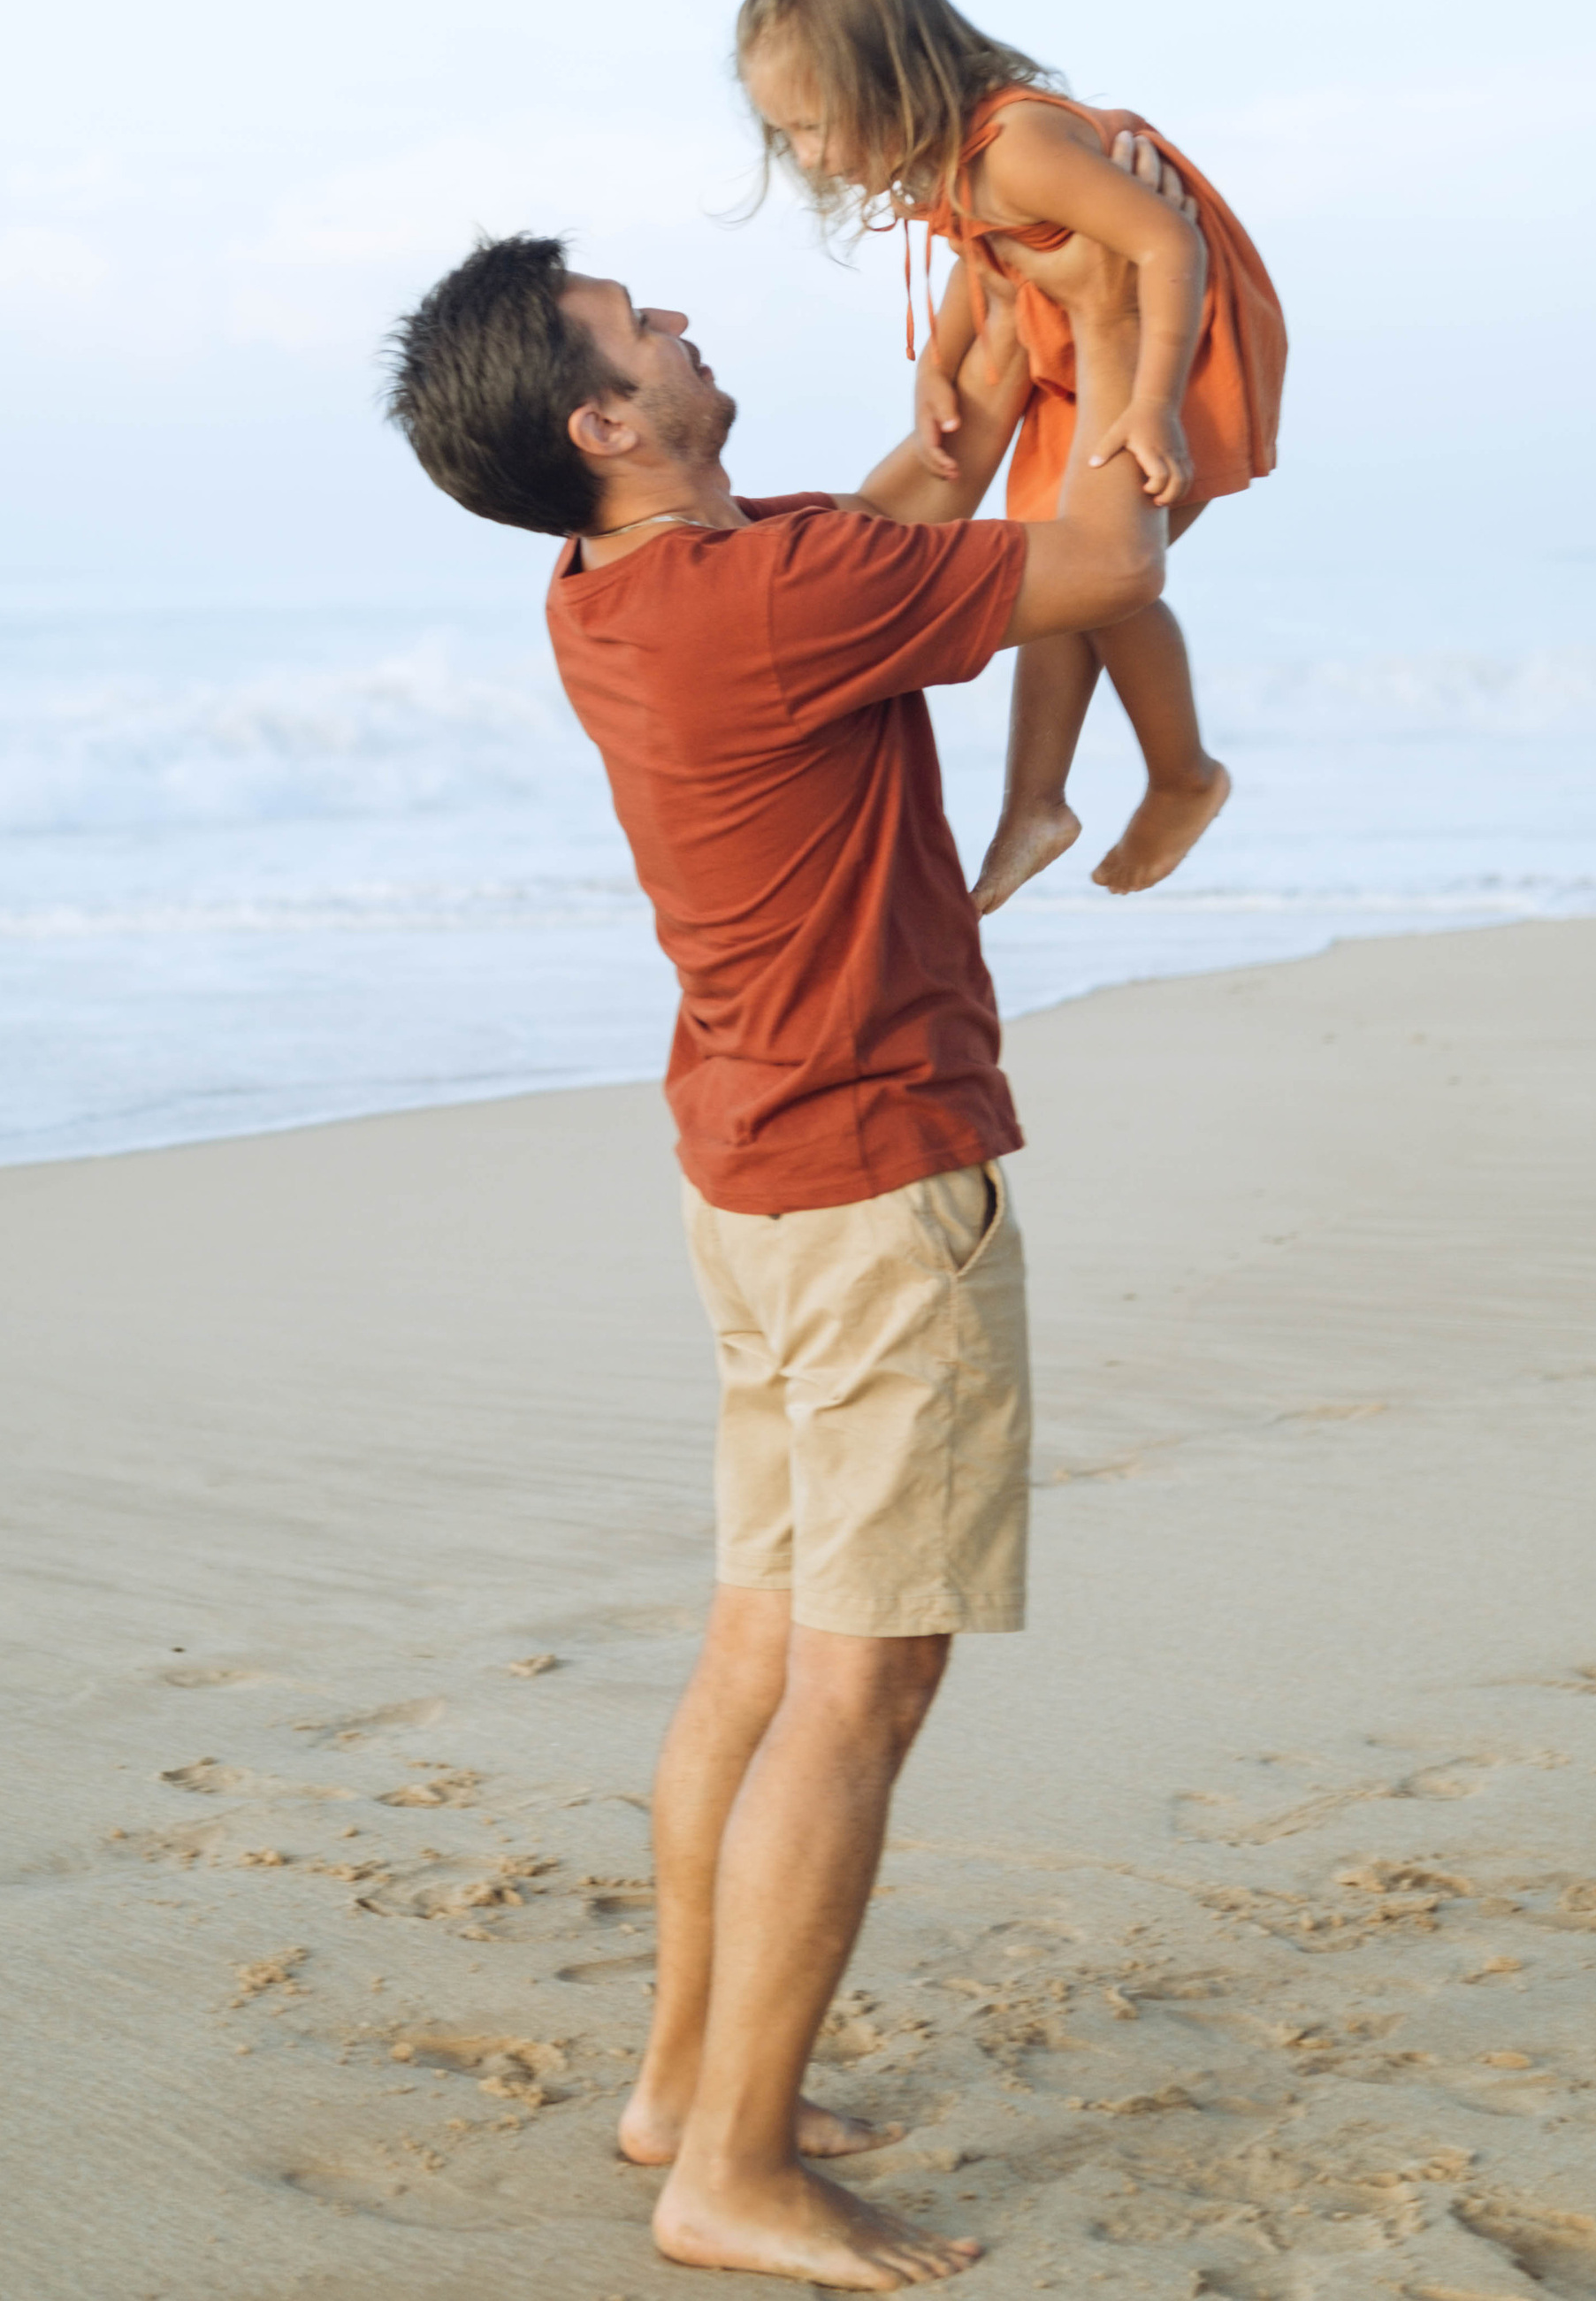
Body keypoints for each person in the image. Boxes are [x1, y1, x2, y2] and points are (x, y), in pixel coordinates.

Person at [384, 215, 1171, 2289]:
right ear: (605, 416)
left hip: (748, 1180)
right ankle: (726, 2168)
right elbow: (1097, 564)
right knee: (858, 1684)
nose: (679, 313)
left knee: (754, 1642)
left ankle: (674, 2087)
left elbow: (895, 509)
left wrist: (1006, 329)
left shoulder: (612, 591)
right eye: (638, 323)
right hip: (872, 1189)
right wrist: (1144, 362)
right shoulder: (773, 599)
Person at [737, 0, 1287, 912]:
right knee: (1050, 568)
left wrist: (1155, 403)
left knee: (1100, 582)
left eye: (815, 127)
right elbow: (975, 255)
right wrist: (937, 369)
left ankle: (1182, 776)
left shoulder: (1019, 148)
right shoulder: (952, 160)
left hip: (1170, 340)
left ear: (896, 80)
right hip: (1073, 342)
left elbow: (1166, 245)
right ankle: (1034, 806)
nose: (807, 157)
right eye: (787, 137)